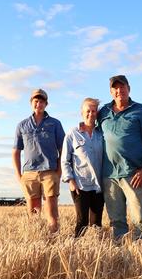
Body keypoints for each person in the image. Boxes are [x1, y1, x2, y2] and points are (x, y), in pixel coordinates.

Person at [97, 74, 142, 240]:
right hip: (109, 174)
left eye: (122, 87)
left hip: (134, 173)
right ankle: (121, 255)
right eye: (115, 88)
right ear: (111, 92)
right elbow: (92, 130)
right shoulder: (103, 112)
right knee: (116, 220)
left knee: (140, 218)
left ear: (128, 88)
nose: (119, 91)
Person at [12, 88, 65, 233]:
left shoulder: (55, 124)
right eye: (36, 101)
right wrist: (19, 175)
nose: (38, 104)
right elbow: (16, 151)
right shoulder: (22, 125)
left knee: (51, 212)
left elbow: (63, 149)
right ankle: (36, 239)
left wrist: (59, 171)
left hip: (49, 172)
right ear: (31, 103)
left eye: (42, 102)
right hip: (29, 173)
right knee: (33, 213)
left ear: (46, 104)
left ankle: (54, 238)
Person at [62, 98, 104, 237]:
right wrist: (70, 180)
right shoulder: (72, 133)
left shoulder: (102, 133)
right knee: (82, 221)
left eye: (93, 111)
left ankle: (97, 248)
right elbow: (65, 159)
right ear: (82, 113)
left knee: (97, 222)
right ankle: (77, 248)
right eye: (87, 111)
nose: (90, 114)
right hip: (80, 185)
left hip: (98, 185)